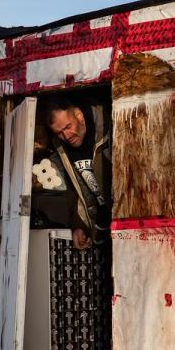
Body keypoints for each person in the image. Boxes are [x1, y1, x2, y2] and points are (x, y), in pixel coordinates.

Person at [42, 97, 112, 250]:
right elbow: (74, 193)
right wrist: (79, 225)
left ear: (79, 115)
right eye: (59, 132)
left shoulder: (111, 127)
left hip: (127, 224)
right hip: (103, 232)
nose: (66, 136)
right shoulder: (62, 150)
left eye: (68, 126)